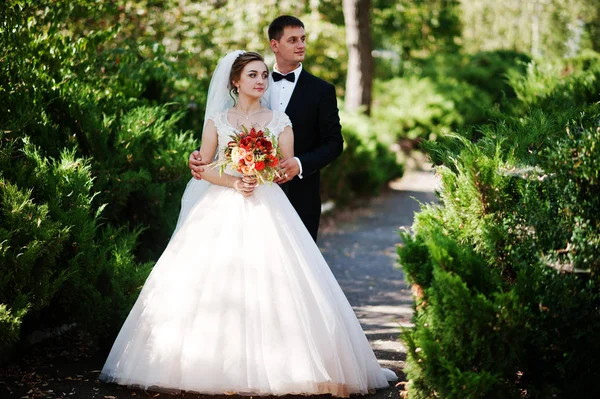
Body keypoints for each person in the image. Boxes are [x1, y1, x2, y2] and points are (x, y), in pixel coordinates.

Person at [99, 51, 396, 397]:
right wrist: (233, 180)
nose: (261, 81)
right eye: (253, 75)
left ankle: (287, 364)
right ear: (236, 81)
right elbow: (203, 167)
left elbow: (284, 169)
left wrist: (262, 173)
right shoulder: (218, 121)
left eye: (264, 75)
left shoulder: (280, 121)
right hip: (220, 207)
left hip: (268, 206)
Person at [189, 15, 343, 241]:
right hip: (236, 198)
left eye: (303, 39)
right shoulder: (256, 79)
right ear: (275, 45)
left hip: (300, 197)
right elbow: (231, 128)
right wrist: (198, 156)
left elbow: (334, 143)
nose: (301, 45)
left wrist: (299, 164)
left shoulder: (322, 90)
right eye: (293, 40)